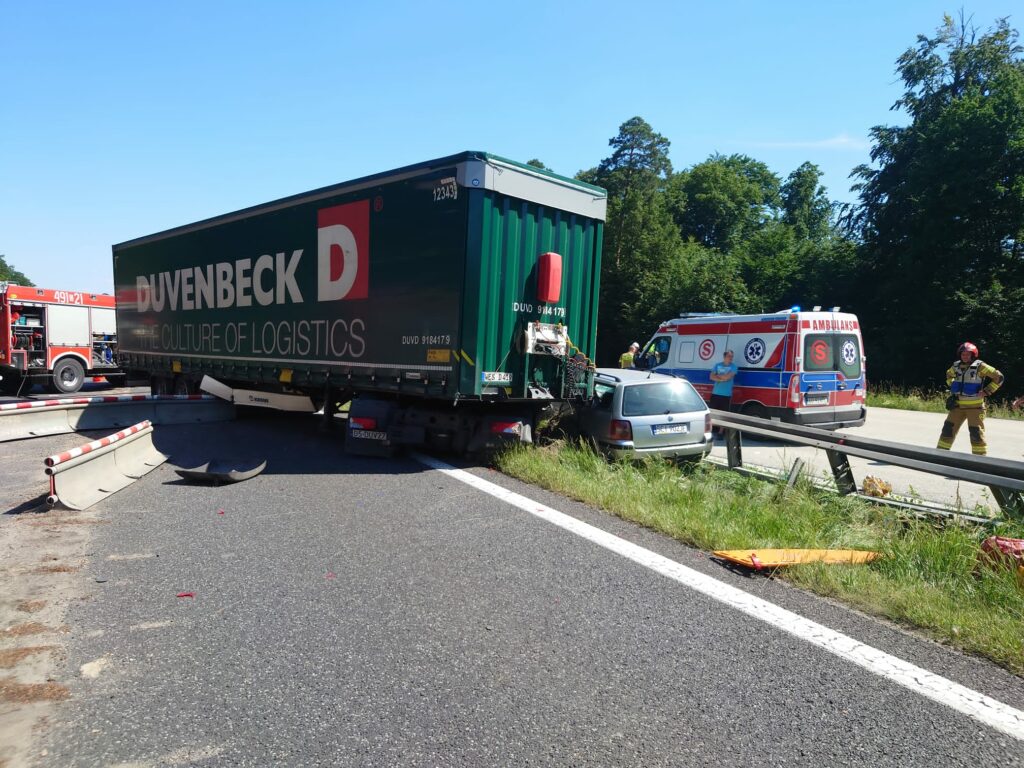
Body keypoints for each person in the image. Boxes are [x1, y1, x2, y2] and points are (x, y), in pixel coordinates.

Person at [936, 341, 1003, 456]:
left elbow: (999, 377)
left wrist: (987, 391)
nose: (965, 356)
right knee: (947, 430)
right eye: (963, 354)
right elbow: (949, 375)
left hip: (975, 408)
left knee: (976, 433)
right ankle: (940, 455)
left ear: (973, 355)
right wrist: (952, 385)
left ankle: (979, 461)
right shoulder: (956, 366)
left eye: (968, 354)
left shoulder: (980, 366)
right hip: (957, 406)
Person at [709, 350, 738, 434]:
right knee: (712, 414)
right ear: (724, 357)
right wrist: (722, 378)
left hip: (726, 394)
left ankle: (721, 432)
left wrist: (717, 376)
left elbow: (727, 377)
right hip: (715, 393)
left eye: (732, 356)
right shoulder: (717, 365)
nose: (731, 358)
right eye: (729, 356)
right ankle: (709, 431)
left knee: (724, 415)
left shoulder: (734, 367)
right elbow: (711, 377)